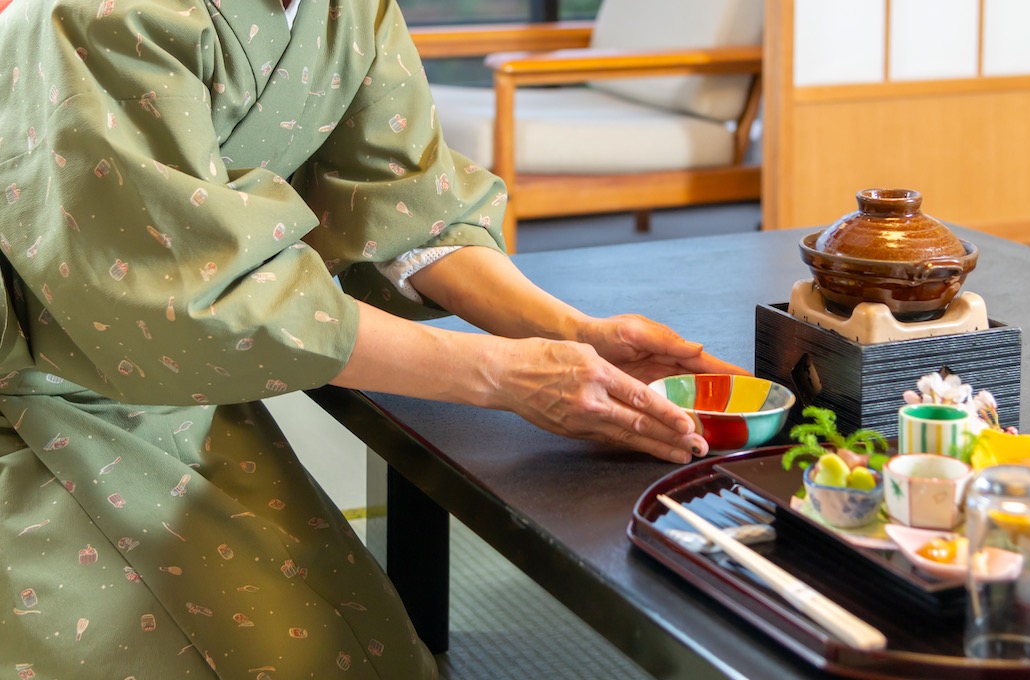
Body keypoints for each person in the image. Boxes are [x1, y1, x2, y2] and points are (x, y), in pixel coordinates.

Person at [0, 0, 744, 677]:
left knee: (365, 651)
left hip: (179, 386)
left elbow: (406, 205)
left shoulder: (352, 9)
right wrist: (506, 376)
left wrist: (571, 329)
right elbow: (188, 294)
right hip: (39, 387)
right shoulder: (98, 15)